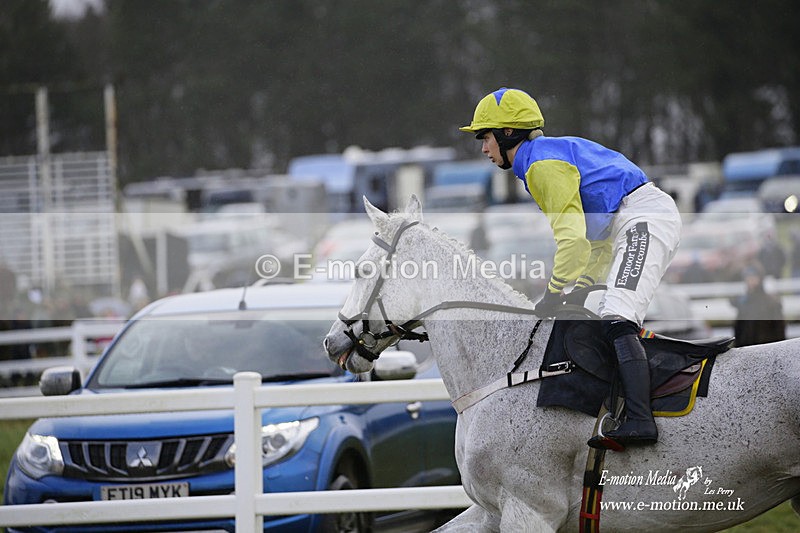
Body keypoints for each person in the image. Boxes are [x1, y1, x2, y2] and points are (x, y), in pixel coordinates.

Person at [460, 87, 682, 450]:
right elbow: (595, 242)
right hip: (633, 220)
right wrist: (580, 288)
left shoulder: (542, 166)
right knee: (598, 311)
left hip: (644, 218)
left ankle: (642, 420)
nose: (484, 148)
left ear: (508, 133)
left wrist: (553, 293)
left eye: (485, 137)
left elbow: (573, 242)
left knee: (617, 316)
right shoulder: (541, 159)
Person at [732, 264, 785, 347]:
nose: (751, 281)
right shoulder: (744, 302)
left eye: (753, 278)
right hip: (747, 347)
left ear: (760, 279)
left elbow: (779, 329)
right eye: (748, 278)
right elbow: (739, 328)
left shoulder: (771, 302)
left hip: (767, 347)